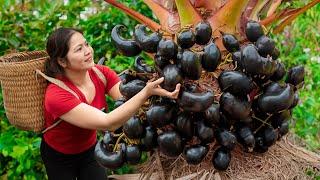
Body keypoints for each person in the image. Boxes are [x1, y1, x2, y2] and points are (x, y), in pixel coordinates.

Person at [40, 27, 181, 180]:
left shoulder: (101, 74)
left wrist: (162, 91)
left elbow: (126, 102)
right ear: (62, 61)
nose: (88, 51)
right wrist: (146, 92)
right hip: (59, 156)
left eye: (86, 44)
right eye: (79, 49)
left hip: (90, 149)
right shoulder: (56, 95)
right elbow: (108, 122)